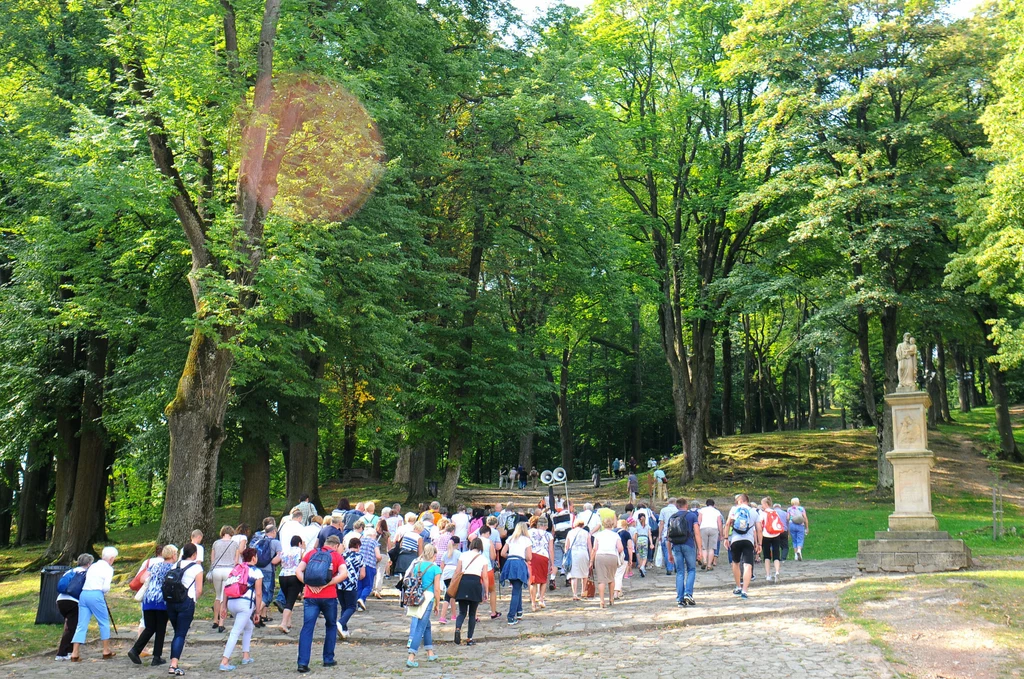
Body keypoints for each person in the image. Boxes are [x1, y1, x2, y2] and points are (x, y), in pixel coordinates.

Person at [295, 535, 348, 673]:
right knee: (330, 626)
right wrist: (327, 584)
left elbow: (298, 571)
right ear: (336, 545)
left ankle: (302, 662)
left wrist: (307, 583)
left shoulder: (311, 553)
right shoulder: (336, 556)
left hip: (310, 596)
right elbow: (344, 574)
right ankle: (328, 658)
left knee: (307, 628)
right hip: (329, 596)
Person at [128, 545, 177, 667]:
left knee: (150, 627)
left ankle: (135, 650)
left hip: (149, 599)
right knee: (160, 628)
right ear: (173, 555)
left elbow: (143, 578)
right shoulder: (173, 567)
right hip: (162, 601)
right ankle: (156, 657)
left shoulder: (154, 565)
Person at [68, 546, 118, 661]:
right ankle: (106, 650)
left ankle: (75, 653)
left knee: (81, 625)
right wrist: (104, 591)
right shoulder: (108, 569)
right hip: (96, 595)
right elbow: (105, 587)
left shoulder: (93, 566)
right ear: (111, 558)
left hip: (84, 594)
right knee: (103, 622)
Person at [218, 547, 263, 671]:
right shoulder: (256, 572)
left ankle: (246, 655)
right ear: (253, 558)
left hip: (232, 603)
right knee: (235, 632)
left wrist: (224, 606)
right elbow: (258, 594)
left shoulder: (236, 569)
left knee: (248, 626)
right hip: (245, 605)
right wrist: (257, 611)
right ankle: (224, 661)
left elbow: (226, 588)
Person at [166, 543, 204, 676]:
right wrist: (194, 600)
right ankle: (173, 665)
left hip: (171, 602)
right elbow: (199, 589)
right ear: (194, 555)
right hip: (186, 602)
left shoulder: (174, 565)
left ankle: (174, 661)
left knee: (177, 633)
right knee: (180, 634)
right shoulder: (197, 568)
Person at [405, 544, 442, 667]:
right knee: (421, 626)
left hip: (418, 597)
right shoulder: (436, 568)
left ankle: (430, 652)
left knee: (426, 625)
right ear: (434, 555)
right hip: (428, 598)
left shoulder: (417, 565)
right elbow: (437, 589)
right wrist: (437, 603)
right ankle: (411, 656)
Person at [55, 553, 93, 661]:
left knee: (70, 626)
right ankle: (62, 653)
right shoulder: (86, 573)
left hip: (61, 600)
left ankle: (68, 651)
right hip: (73, 601)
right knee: (71, 628)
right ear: (89, 563)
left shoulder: (70, 571)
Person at [666, 497, 702, 607]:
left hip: (676, 546)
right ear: (686, 505)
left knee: (680, 572)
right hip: (689, 545)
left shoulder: (672, 517)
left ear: (677, 506)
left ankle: (680, 599)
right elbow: (696, 533)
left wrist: (669, 553)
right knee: (691, 569)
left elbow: (668, 537)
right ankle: (688, 593)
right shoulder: (692, 516)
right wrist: (700, 549)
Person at [451, 537, 488, 645]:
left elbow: (457, 571)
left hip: (463, 582)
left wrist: (453, 584)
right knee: (472, 614)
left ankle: (458, 628)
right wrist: (486, 591)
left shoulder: (463, 555)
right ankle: (469, 638)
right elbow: (485, 576)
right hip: (475, 583)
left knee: (462, 612)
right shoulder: (483, 558)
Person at [725, 493, 762, 599]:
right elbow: (759, 529)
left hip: (735, 540)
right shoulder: (754, 511)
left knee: (735, 563)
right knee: (747, 565)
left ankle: (738, 586)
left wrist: (726, 538)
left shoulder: (734, 510)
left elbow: (728, 524)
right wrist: (759, 543)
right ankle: (745, 590)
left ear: (740, 501)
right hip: (748, 541)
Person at [210, 526, 241, 631]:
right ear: (231, 533)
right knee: (225, 597)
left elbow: (213, 560)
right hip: (228, 570)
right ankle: (221, 623)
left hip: (217, 570)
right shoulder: (234, 544)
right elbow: (236, 560)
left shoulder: (216, 543)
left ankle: (215, 620)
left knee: (218, 596)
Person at [500, 522, 532, 625]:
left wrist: (511, 555)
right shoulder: (527, 540)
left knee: (517, 587)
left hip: (509, 563)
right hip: (519, 563)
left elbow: (502, 553)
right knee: (516, 590)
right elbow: (529, 557)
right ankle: (511, 616)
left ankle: (519, 611)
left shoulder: (510, 538)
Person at [252, 519, 282, 626]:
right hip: (269, 570)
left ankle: (258, 616)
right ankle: (255, 612)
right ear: (273, 532)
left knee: (258, 592)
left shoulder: (258, 541)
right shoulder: (276, 542)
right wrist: (274, 561)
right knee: (268, 595)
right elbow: (278, 557)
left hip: (257, 569)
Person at [589, 516, 622, 609]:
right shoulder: (615, 535)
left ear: (603, 525)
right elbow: (620, 548)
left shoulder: (598, 535)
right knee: (611, 578)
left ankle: (602, 600)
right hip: (612, 556)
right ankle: (611, 598)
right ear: (612, 525)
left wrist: (591, 561)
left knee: (601, 580)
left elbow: (594, 549)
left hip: (600, 556)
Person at [277, 535, 305, 633]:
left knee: (288, 598)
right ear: (299, 543)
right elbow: (304, 564)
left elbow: (280, 562)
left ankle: (288, 622)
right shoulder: (301, 551)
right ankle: (283, 623)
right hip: (294, 576)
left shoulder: (285, 551)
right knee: (290, 601)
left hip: (282, 575)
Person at [337, 538, 363, 640]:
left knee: (344, 607)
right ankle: (340, 623)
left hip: (339, 583)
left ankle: (344, 630)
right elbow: (362, 574)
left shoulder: (342, 555)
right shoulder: (359, 556)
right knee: (352, 607)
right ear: (358, 546)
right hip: (351, 585)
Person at [527, 516, 554, 611]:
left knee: (533, 581)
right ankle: (541, 598)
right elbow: (551, 550)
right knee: (543, 580)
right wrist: (552, 563)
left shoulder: (529, 532)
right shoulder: (549, 535)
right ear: (546, 525)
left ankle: (533, 603)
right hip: (544, 556)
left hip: (532, 556)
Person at [355, 523, 381, 610]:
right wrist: (379, 559)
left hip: (359, 565)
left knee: (360, 585)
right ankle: (362, 599)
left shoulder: (360, 540)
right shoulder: (374, 542)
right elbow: (378, 556)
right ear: (373, 535)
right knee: (368, 586)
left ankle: (360, 605)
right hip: (369, 565)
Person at [759, 497, 785, 582]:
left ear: (766, 504)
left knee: (767, 556)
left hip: (766, 535)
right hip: (776, 534)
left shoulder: (763, 513)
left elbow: (760, 525)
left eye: (762, 504)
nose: (762, 506)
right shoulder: (775, 512)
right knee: (776, 554)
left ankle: (768, 575)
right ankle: (777, 572)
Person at [563, 518, 590, 599]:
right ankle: (583, 591)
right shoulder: (586, 533)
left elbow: (566, 546)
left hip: (573, 554)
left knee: (574, 575)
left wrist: (566, 554)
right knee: (584, 574)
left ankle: (575, 594)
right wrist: (591, 558)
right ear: (582, 525)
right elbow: (590, 546)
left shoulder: (570, 532)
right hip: (583, 553)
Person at [437, 536, 461, 624]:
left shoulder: (445, 553)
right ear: (458, 544)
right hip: (454, 573)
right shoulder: (459, 553)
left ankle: (453, 615)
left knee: (451, 593)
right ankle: (443, 616)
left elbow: (442, 566)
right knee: (449, 595)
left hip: (446, 573)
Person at [698, 499, 724, 571]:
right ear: (714, 504)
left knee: (704, 547)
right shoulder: (717, 512)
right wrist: (721, 534)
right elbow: (719, 523)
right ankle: (709, 565)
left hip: (703, 528)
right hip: (714, 529)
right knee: (711, 548)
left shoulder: (702, 510)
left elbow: (699, 521)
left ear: (706, 504)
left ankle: (705, 561)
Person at [614, 520, 635, 599]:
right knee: (619, 574)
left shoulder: (612, 532)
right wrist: (630, 559)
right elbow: (630, 547)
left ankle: (619, 591)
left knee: (614, 574)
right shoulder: (626, 534)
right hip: (623, 555)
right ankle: (616, 593)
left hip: (612, 555)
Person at [658, 498, 678, 576]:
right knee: (676, 550)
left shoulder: (663, 510)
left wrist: (659, 535)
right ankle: (677, 567)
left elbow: (661, 523)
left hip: (666, 532)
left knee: (667, 551)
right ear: (675, 503)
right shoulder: (678, 510)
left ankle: (669, 568)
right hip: (676, 533)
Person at [632, 511, 652, 577]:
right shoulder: (647, 526)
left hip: (639, 540)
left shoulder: (637, 527)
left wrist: (636, 543)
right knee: (645, 556)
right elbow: (649, 535)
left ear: (638, 519)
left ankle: (640, 566)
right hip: (645, 540)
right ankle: (642, 567)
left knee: (639, 555)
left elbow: (635, 536)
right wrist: (651, 543)